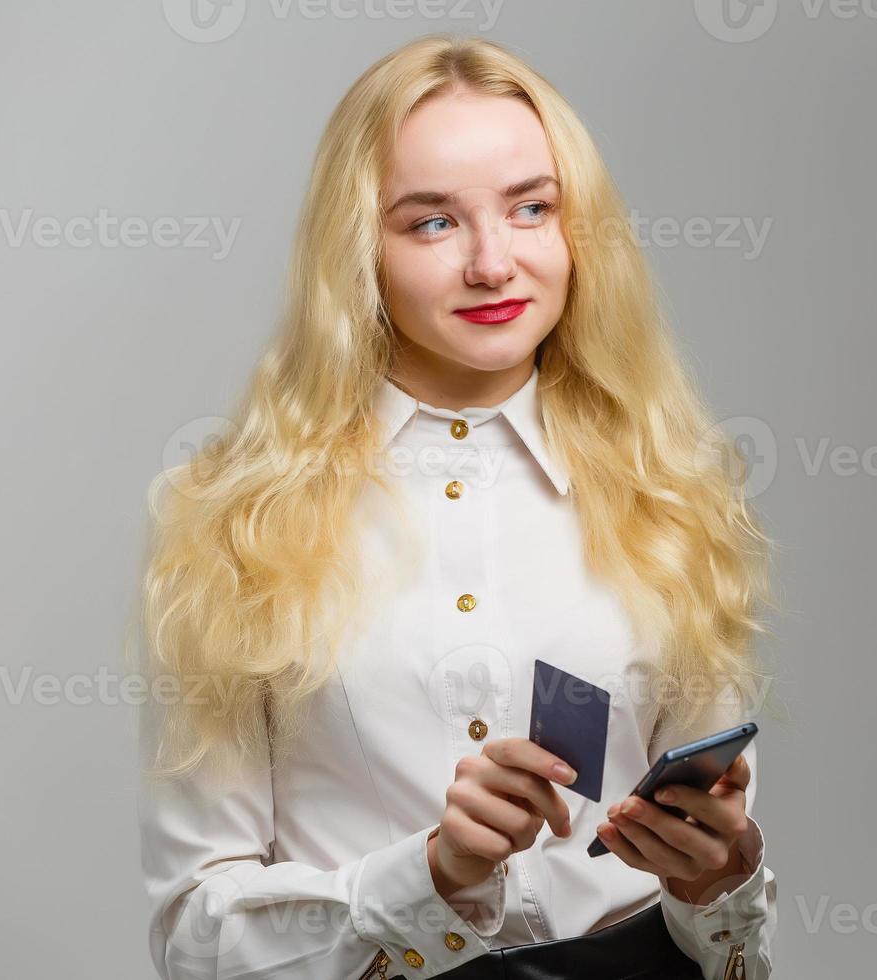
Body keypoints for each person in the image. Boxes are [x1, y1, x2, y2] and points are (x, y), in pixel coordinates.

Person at [134, 33, 780, 980]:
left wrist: (716, 884)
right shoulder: (235, 520)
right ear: (360, 250)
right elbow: (195, 936)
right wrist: (430, 877)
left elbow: (733, 951)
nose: (493, 263)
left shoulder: (671, 496)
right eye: (432, 223)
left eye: (531, 209)